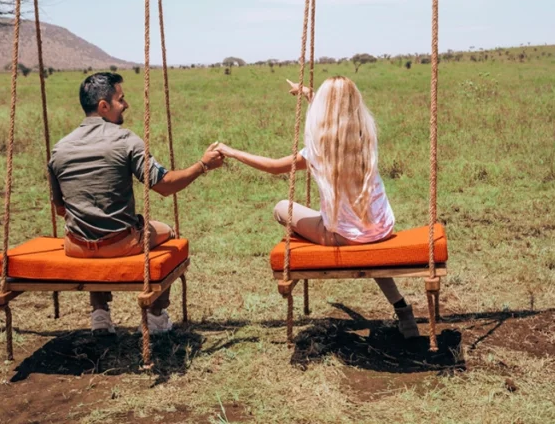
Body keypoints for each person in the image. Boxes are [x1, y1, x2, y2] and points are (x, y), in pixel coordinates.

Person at [215, 76, 419, 339]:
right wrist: (309, 94)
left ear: (324, 109)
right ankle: (403, 311)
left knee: (281, 208)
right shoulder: (367, 137)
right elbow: (340, 114)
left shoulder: (317, 150)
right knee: (368, 249)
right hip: (382, 229)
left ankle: (302, 260)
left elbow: (275, 167)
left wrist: (231, 151)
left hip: (343, 237)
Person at [48, 71, 223, 335]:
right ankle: (155, 316)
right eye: (121, 99)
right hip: (121, 244)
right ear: (103, 106)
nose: (126, 105)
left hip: (76, 246)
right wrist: (202, 165)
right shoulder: (125, 140)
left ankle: (100, 315)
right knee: (170, 233)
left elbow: (60, 208)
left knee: (92, 231)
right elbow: (164, 186)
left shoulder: (59, 149)